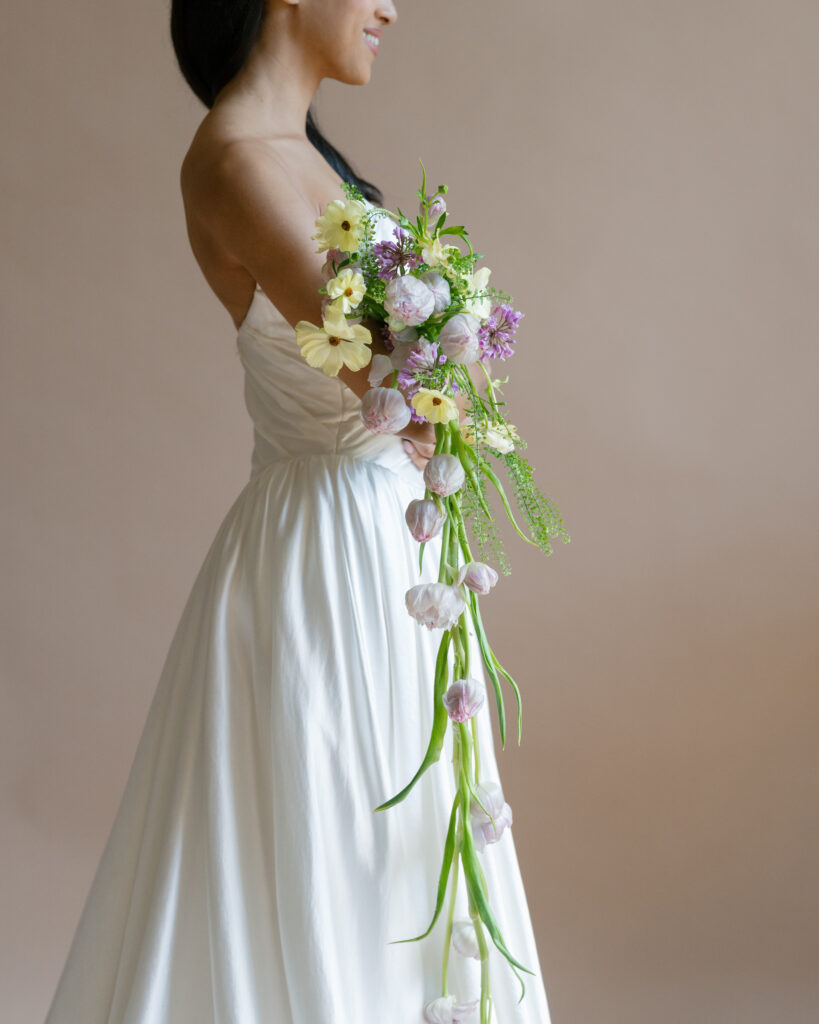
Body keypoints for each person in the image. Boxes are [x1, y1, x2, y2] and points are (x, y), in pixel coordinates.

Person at [44, 1, 553, 1021]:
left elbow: (420, 387)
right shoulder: (235, 161)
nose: (387, 9)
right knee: (341, 847)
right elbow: (395, 377)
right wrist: (449, 361)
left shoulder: (303, 157)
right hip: (329, 557)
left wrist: (444, 377)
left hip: (394, 547)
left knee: (406, 851)